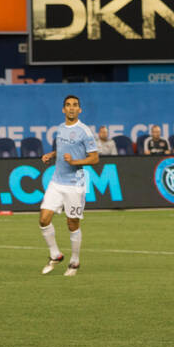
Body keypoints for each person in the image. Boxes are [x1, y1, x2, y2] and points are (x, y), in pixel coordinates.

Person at [37, 96, 98, 277]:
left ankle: (75, 260)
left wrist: (76, 161)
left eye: (75, 105)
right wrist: (52, 154)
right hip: (56, 181)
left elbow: (94, 158)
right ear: (63, 109)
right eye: (68, 105)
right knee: (43, 219)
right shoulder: (60, 128)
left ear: (80, 110)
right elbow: (63, 150)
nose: (72, 108)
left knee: (72, 223)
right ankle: (55, 254)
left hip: (75, 185)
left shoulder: (84, 131)